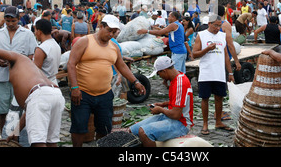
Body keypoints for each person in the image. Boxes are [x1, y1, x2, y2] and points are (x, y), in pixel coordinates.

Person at [67, 15, 146, 146]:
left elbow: (121, 65)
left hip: (104, 94)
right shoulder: (85, 41)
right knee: (79, 128)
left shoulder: (113, 47)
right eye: (109, 30)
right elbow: (71, 64)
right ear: (101, 26)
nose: (111, 34)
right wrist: (74, 88)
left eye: (114, 32)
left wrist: (135, 82)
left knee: (104, 128)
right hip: (83, 94)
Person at [0, 48, 65, 147]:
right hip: (55, 94)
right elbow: (30, 108)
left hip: (40, 95)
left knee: (38, 142)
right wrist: (16, 131)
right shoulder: (28, 68)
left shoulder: (17, 58)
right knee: (50, 141)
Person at [0, 6, 37, 134]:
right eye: (7, 20)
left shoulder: (27, 34)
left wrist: (19, 62)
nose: (10, 24)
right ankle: (4, 137)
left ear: (18, 19)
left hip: (21, 79)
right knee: (2, 111)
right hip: (2, 78)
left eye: (13, 20)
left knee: (19, 110)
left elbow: (33, 54)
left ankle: (18, 136)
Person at [129, 56, 193, 147]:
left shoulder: (180, 83)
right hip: (170, 117)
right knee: (132, 130)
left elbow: (176, 115)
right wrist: (162, 104)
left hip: (181, 123)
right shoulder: (176, 78)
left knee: (144, 132)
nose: (160, 77)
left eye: (159, 74)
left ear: (164, 71)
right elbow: (178, 102)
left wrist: (160, 110)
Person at [192, 14, 235, 135]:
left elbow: (226, 56)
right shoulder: (201, 35)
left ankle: (218, 122)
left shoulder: (222, 36)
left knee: (219, 98)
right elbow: (194, 54)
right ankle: (205, 124)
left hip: (219, 72)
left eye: (219, 26)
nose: (217, 28)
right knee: (205, 98)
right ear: (209, 24)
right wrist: (207, 49)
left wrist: (230, 72)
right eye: (216, 25)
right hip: (206, 72)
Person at [33, 19, 61, 85]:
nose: (35, 33)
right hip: (54, 81)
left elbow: (35, 72)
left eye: (35, 30)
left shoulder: (41, 49)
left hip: (44, 84)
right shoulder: (55, 44)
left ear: (39, 31)